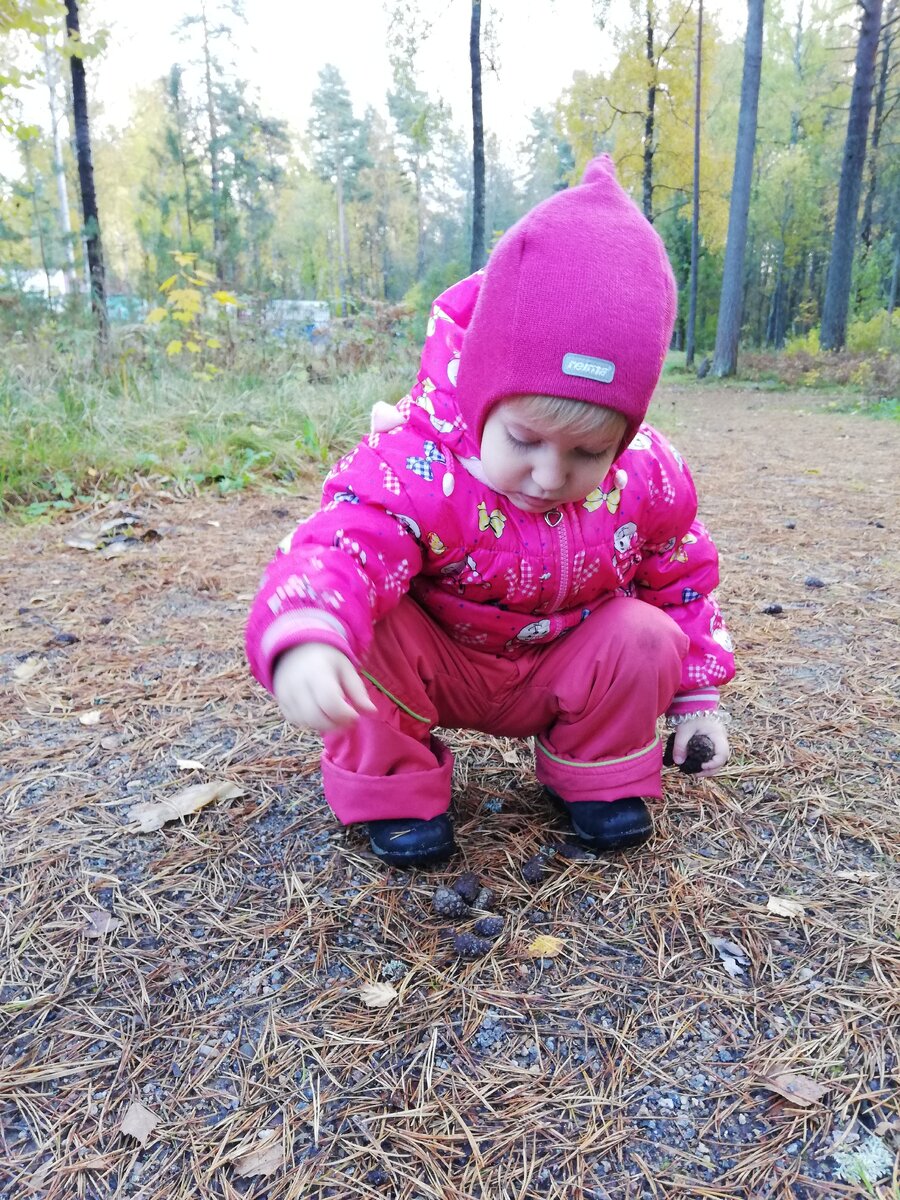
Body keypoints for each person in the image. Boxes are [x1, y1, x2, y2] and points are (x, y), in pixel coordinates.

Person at [245, 155, 734, 868]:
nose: (549, 473)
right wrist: (307, 630)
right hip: (440, 662)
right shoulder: (416, 463)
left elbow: (683, 583)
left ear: (624, 437)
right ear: (482, 396)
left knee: (646, 634)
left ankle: (598, 777)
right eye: (524, 440)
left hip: (563, 664)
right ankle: (397, 788)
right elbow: (345, 542)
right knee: (374, 628)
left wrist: (697, 703)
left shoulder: (647, 477)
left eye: (587, 453)